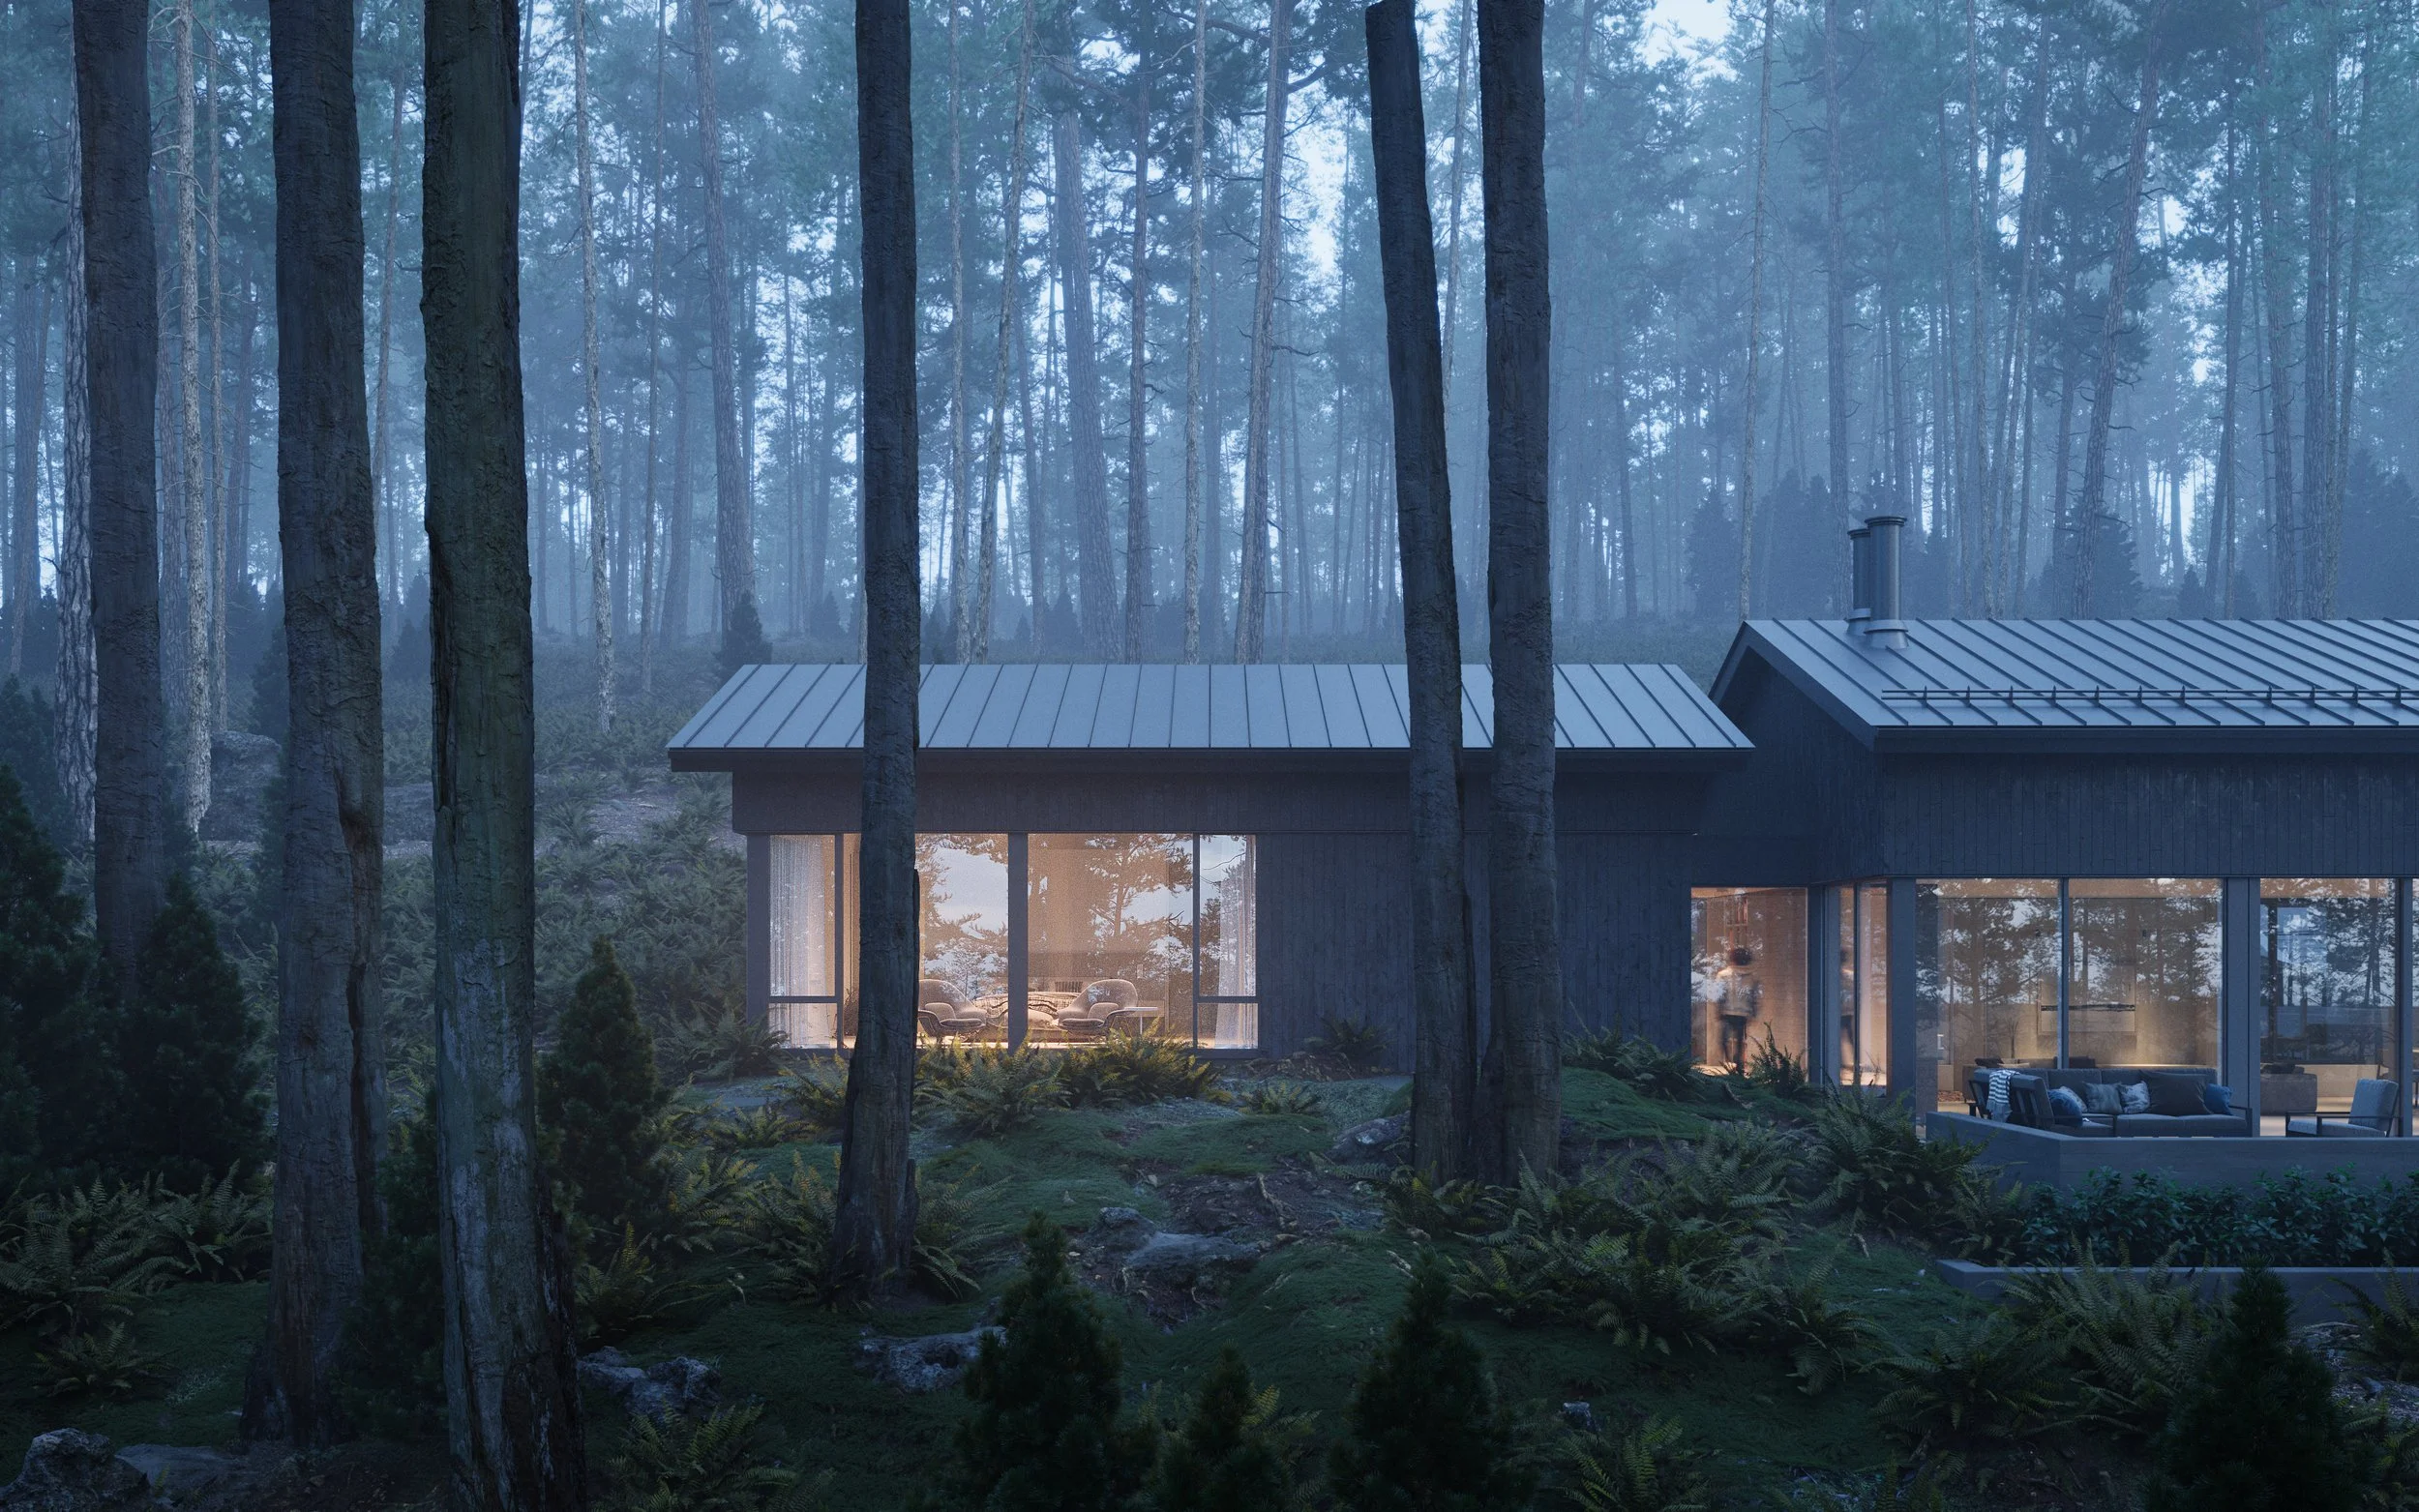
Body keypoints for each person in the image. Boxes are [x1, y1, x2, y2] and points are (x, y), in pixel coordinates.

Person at [1713, 946, 1762, 1076]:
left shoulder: (1723, 975)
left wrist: (1718, 1010)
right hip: (1743, 1013)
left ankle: (1729, 1063)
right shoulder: (1752, 977)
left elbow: (1719, 995)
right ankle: (1738, 1064)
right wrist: (1754, 1013)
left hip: (1727, 1012)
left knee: (1723, 1040)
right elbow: (1755, 997)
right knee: (1740, 1041)